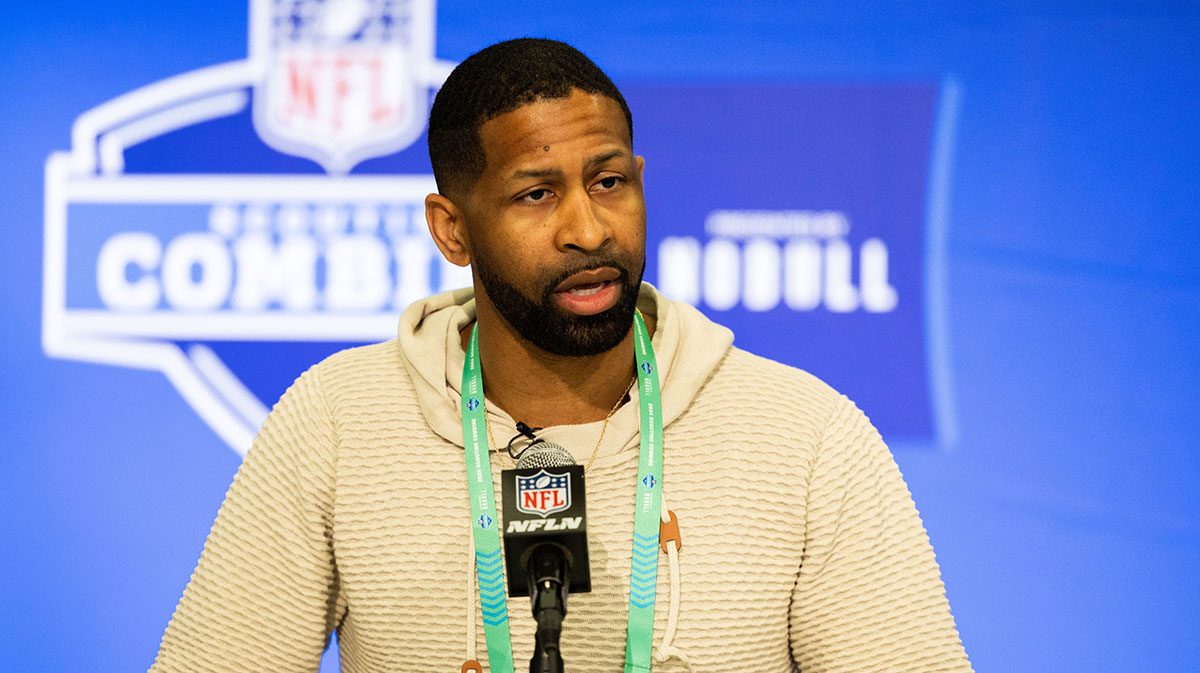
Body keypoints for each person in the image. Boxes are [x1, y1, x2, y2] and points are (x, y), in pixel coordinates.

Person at [150, 38, 972, 673]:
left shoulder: (807, 436)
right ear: (451, 229)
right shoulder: (337, 419)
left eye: (609, 182)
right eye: (536, 194)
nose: (588, 228)